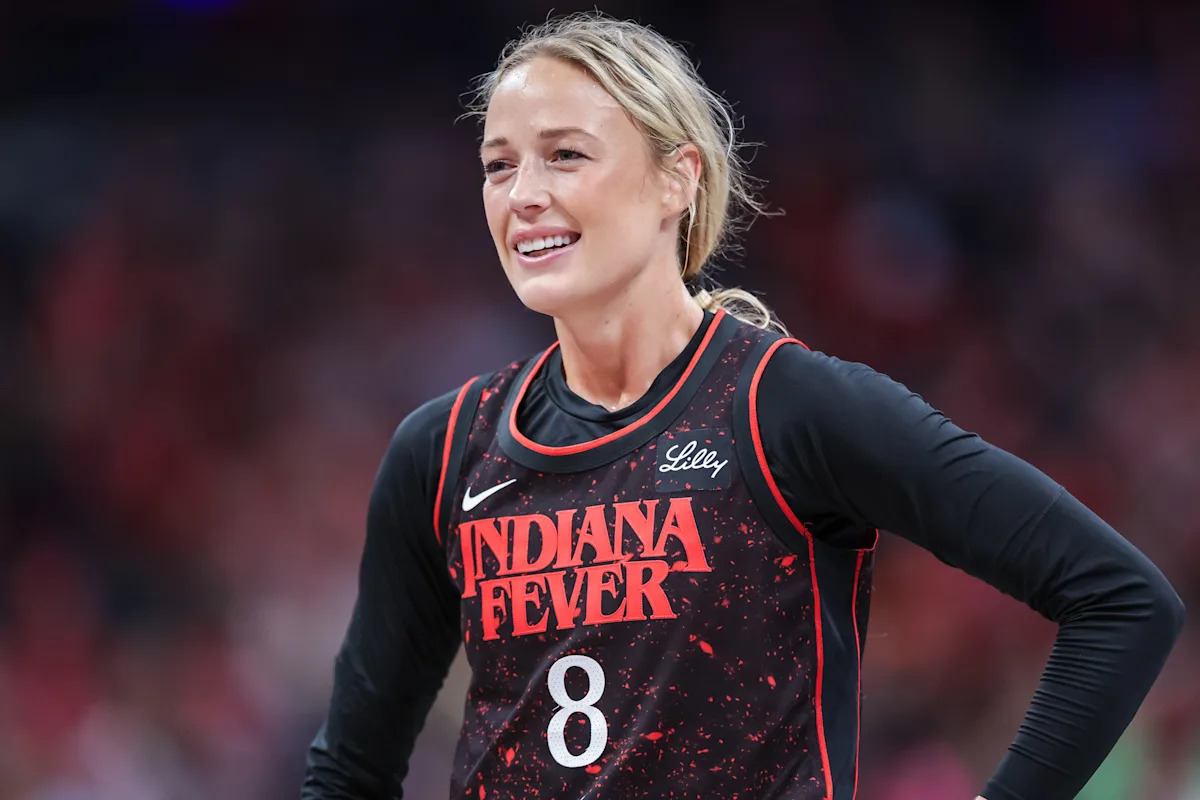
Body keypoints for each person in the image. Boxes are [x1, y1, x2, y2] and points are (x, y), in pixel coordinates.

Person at [300, 12, 1185, 800]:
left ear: (676, 179)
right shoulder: (444, 448)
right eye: (499, 165)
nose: (523, 193)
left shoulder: (785, 408)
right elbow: (347, 772)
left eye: (565, 154)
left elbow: (1121, 601)